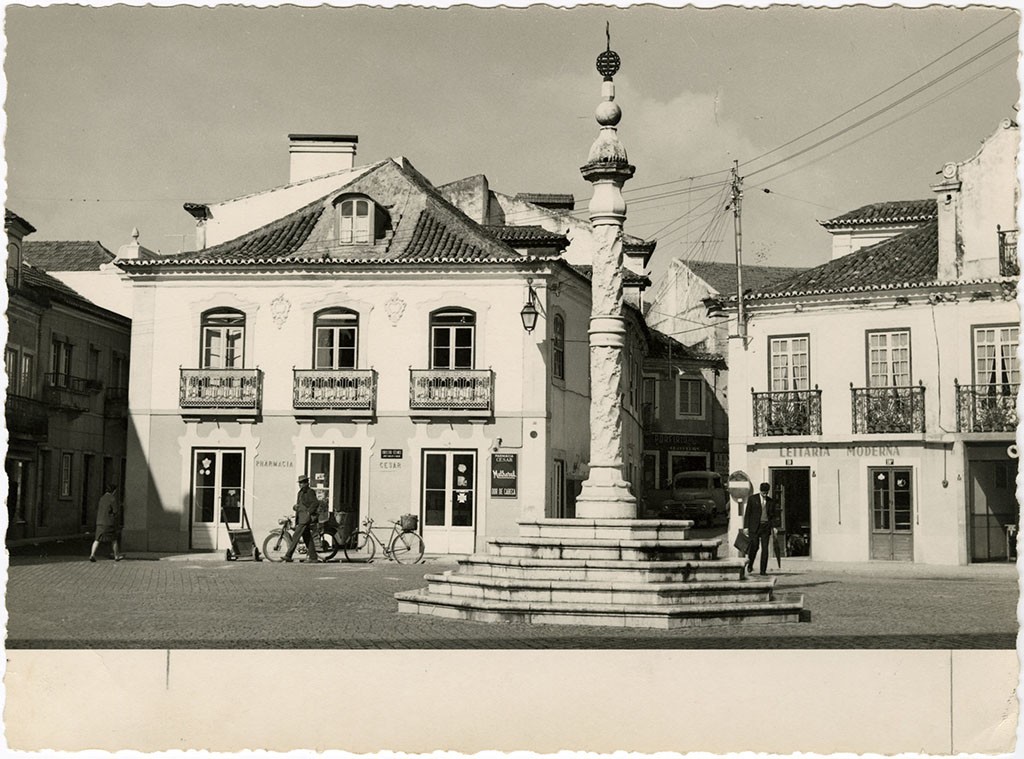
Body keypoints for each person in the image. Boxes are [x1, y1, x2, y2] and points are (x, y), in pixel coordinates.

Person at [742, 481, 779, 576]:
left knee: (765, 549)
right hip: (754, 527)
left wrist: (774, 527)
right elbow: (747, 514)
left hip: (765, 527)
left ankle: (763, 571)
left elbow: (773, 516)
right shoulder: (752, 499)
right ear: (760, 491)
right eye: (763, 492)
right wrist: (746, 527)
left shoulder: (771, 501)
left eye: (766, 492)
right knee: (754, 546)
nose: (765, 494)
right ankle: (750, 564)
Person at [283, 474, 320, 563]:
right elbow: (300, 505)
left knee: (296, 536)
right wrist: (295, 507)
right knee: (307, 537)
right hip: (301, 517)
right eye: (300, 483)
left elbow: (315, 503)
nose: (301, 484)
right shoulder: (300, 493)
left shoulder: (310, 492)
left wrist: (309, 512)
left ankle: (288, 555)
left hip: (305, 518)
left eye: (303, 482)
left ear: (307, 483)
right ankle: (313, 557)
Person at [89, 484, 124, 562]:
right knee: (114, 539)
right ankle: (116, 556)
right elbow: (115, 511)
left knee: (97, 539)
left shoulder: (102, 498)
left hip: (99, 522)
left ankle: (92, 554)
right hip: (108, 522)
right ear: (113, 491)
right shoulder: (112, 499)